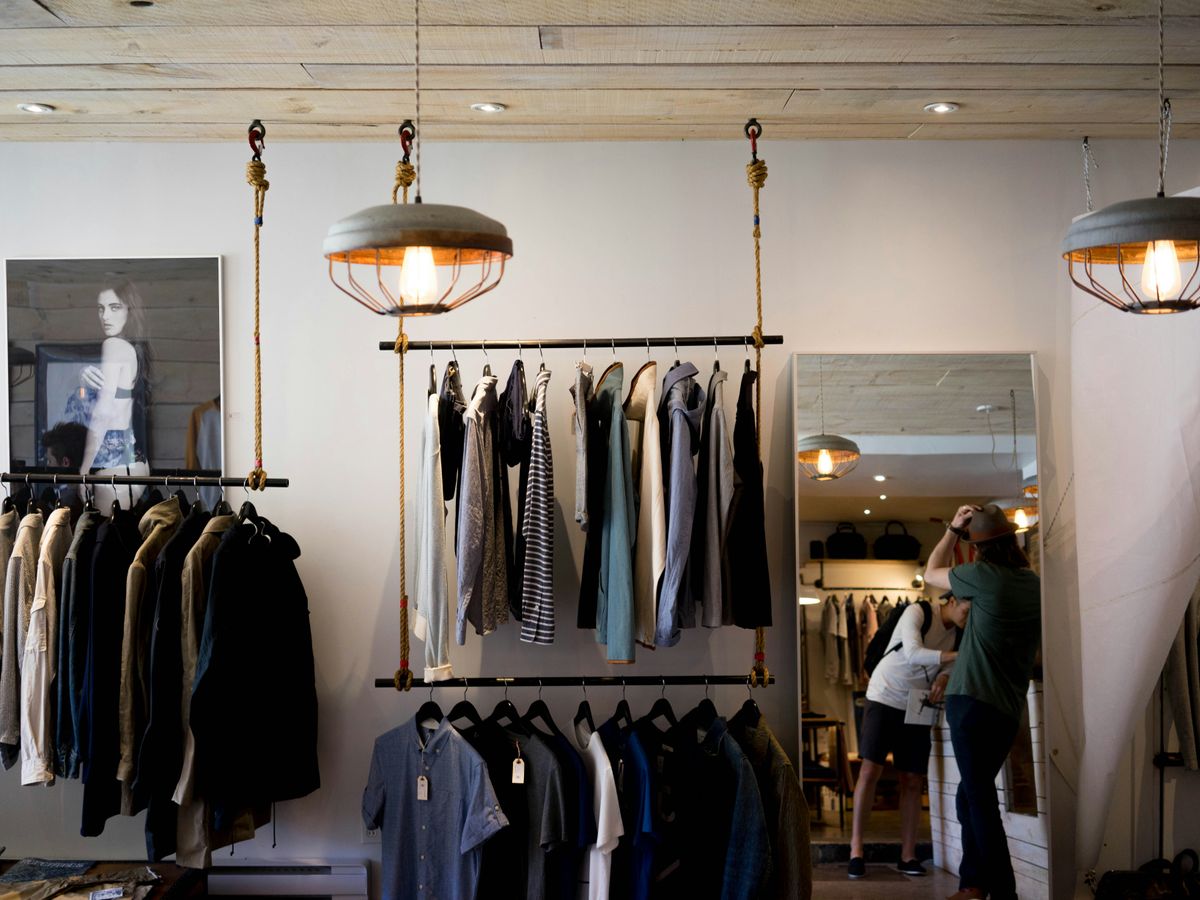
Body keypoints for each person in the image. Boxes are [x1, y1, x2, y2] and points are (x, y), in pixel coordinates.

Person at [923, 504, 1041, 900]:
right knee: (970, 794)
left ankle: (1003, 892)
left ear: (978, 550)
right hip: (1007, 708)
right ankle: (973, 883)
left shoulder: (980, 576)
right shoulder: (1034, 583)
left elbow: (930, 572)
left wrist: (953, 529)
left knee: (980, 800)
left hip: (970, 701)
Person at [848, 591, 970, 880]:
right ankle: (856, 850)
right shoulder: (918, 611)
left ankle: (908, 854)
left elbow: (949, 667)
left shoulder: (960, 634)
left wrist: (944, 674)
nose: (969, 614)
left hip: (919, 702)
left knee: (913, 779)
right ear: (951, 601)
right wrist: (958, 656)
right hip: (885, 693)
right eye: (967, 607)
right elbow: (914, 652)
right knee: (870, 770)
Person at [76, 283, 151, 510]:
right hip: (133, 461)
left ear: (130, 311)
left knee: (107, 539)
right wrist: (82, 383)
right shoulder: (132, 349)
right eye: (101, 308)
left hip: (114, 464)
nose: (105, 316)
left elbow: (104, 411)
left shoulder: (113, 345)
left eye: (114, 307)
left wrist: (84, 468)